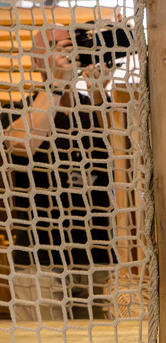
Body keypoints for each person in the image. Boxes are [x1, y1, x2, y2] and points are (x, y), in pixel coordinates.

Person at [1, 23, 117, 321]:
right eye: (58, 48)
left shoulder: (90, 107)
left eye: (71, 45)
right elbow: (20, 144)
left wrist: (99, 91)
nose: (68, 52)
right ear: (37, 62)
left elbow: (117, 157)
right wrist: (55, 85)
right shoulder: (16, 110)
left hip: (92, 255)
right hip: (41, 259)